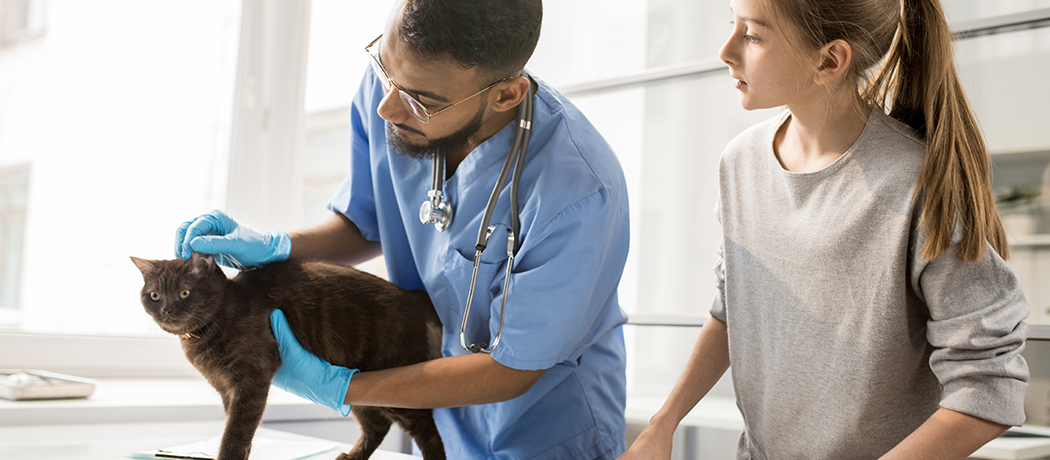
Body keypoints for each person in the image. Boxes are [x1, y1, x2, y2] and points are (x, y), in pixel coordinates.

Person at [173, 0, 630, 458]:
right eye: (385, 69)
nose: (387, 107)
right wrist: (278, 246)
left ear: (505, 95)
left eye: (419, 102)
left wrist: (344, 387)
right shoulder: (396, 86)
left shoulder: (579, 193)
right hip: (432, 408)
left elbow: (511, 369)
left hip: (545, 431)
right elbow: (364, 221)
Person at [620, 0, 1030, 458]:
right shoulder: (740, 162)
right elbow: (731, 308)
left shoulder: (918, 183)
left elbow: (989, 386)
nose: (725, 50)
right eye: (730, 25)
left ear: (829, 60)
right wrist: (663, 423)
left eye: (752, 35)